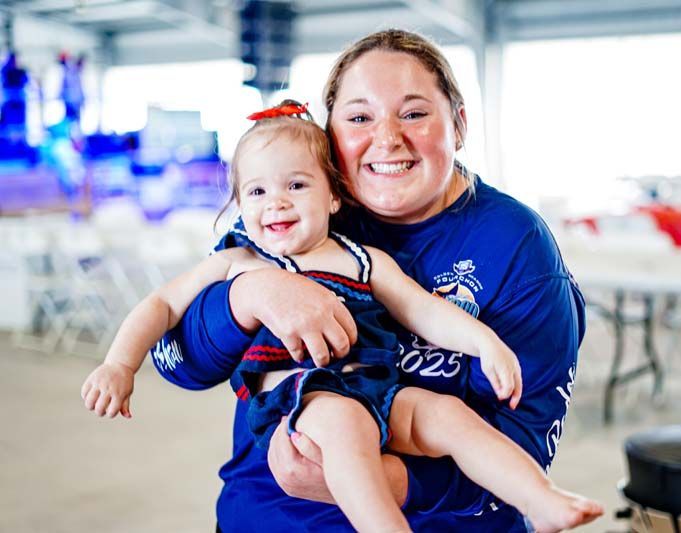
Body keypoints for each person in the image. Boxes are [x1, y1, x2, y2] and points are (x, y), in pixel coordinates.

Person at [81, 101, 602, 533]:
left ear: (334, 195)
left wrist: (483, 341)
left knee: (448, 417)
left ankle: (540, 499)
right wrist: (119, 365)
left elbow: (423, 310)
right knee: (345, 423)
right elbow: (162, 306)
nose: (276, 203)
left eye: (296, 186)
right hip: (302, 398)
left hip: (377, 386)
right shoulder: (240, 262)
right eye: (257, 192)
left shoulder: (360, 258)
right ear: (239, 204)